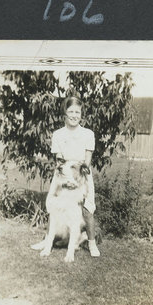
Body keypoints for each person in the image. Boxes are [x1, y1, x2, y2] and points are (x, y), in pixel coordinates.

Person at [47, 96, 100, 257]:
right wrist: (65, 180)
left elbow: (87, 163)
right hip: (62, 175)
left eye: (77, 112)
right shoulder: (58, 134)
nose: (74, 115)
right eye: (71, 111)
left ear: (81, 114)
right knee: (55, 208)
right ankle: (48, 243)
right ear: (65, 112)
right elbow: (59, 160)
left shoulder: (87, 134)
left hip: (81, 177)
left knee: (87, 210)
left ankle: (92, 244)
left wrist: (76, 182)